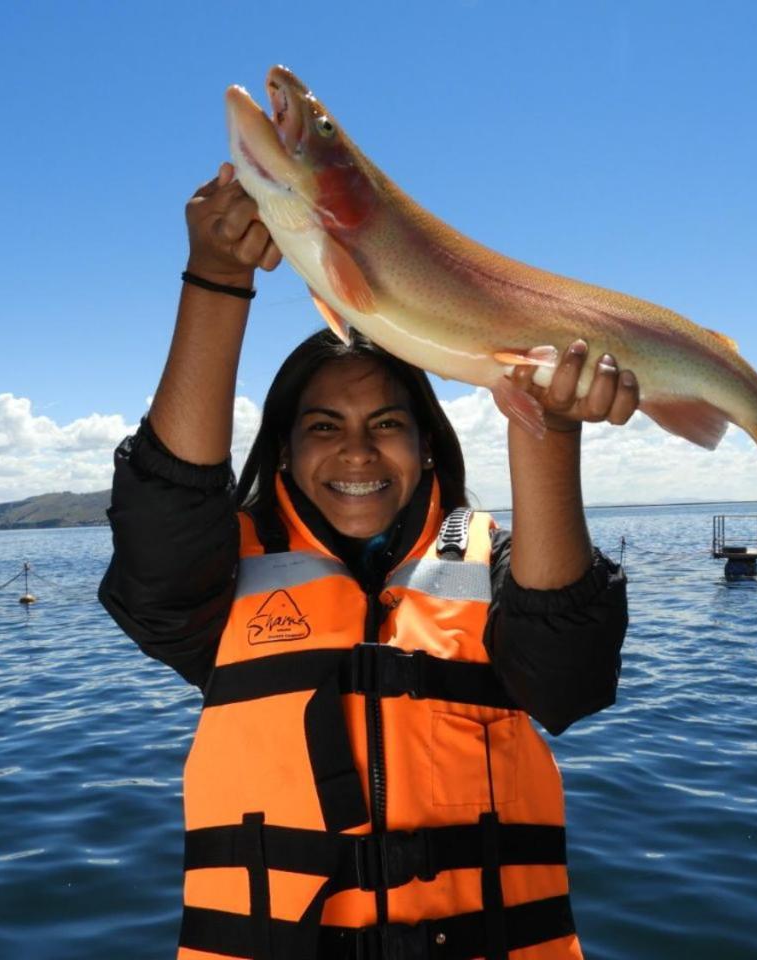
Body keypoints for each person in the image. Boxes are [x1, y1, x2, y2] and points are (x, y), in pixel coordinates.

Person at [99, 163, 639, 960]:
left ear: (427, 450)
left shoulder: (500, 570)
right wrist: (217, 278)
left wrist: (549, 428)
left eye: (387, 424)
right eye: (324, 427)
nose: (357, 451)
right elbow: (162, 527)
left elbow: (568, 681)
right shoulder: (219, 581)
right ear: (284, 451)